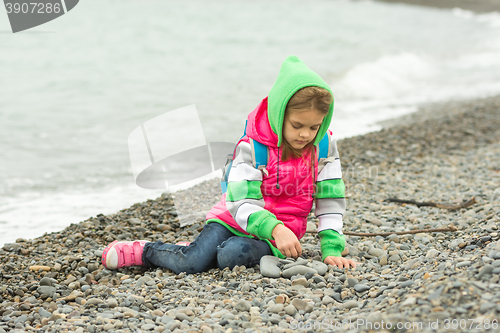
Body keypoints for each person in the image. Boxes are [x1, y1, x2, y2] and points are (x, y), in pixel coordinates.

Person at [102, 55, 356, 273]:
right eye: (297, 125)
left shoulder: (323, 147)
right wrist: (274, 227)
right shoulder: (253, 148)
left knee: (230, 257)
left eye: (314, 127)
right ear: (280, 115)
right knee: (193, 262)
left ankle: (208, 250)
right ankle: (145, 251)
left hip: (281, 233)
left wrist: (331, 247)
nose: (305, 135)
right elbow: (240, 201)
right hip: (234, 218)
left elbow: (330, 200)